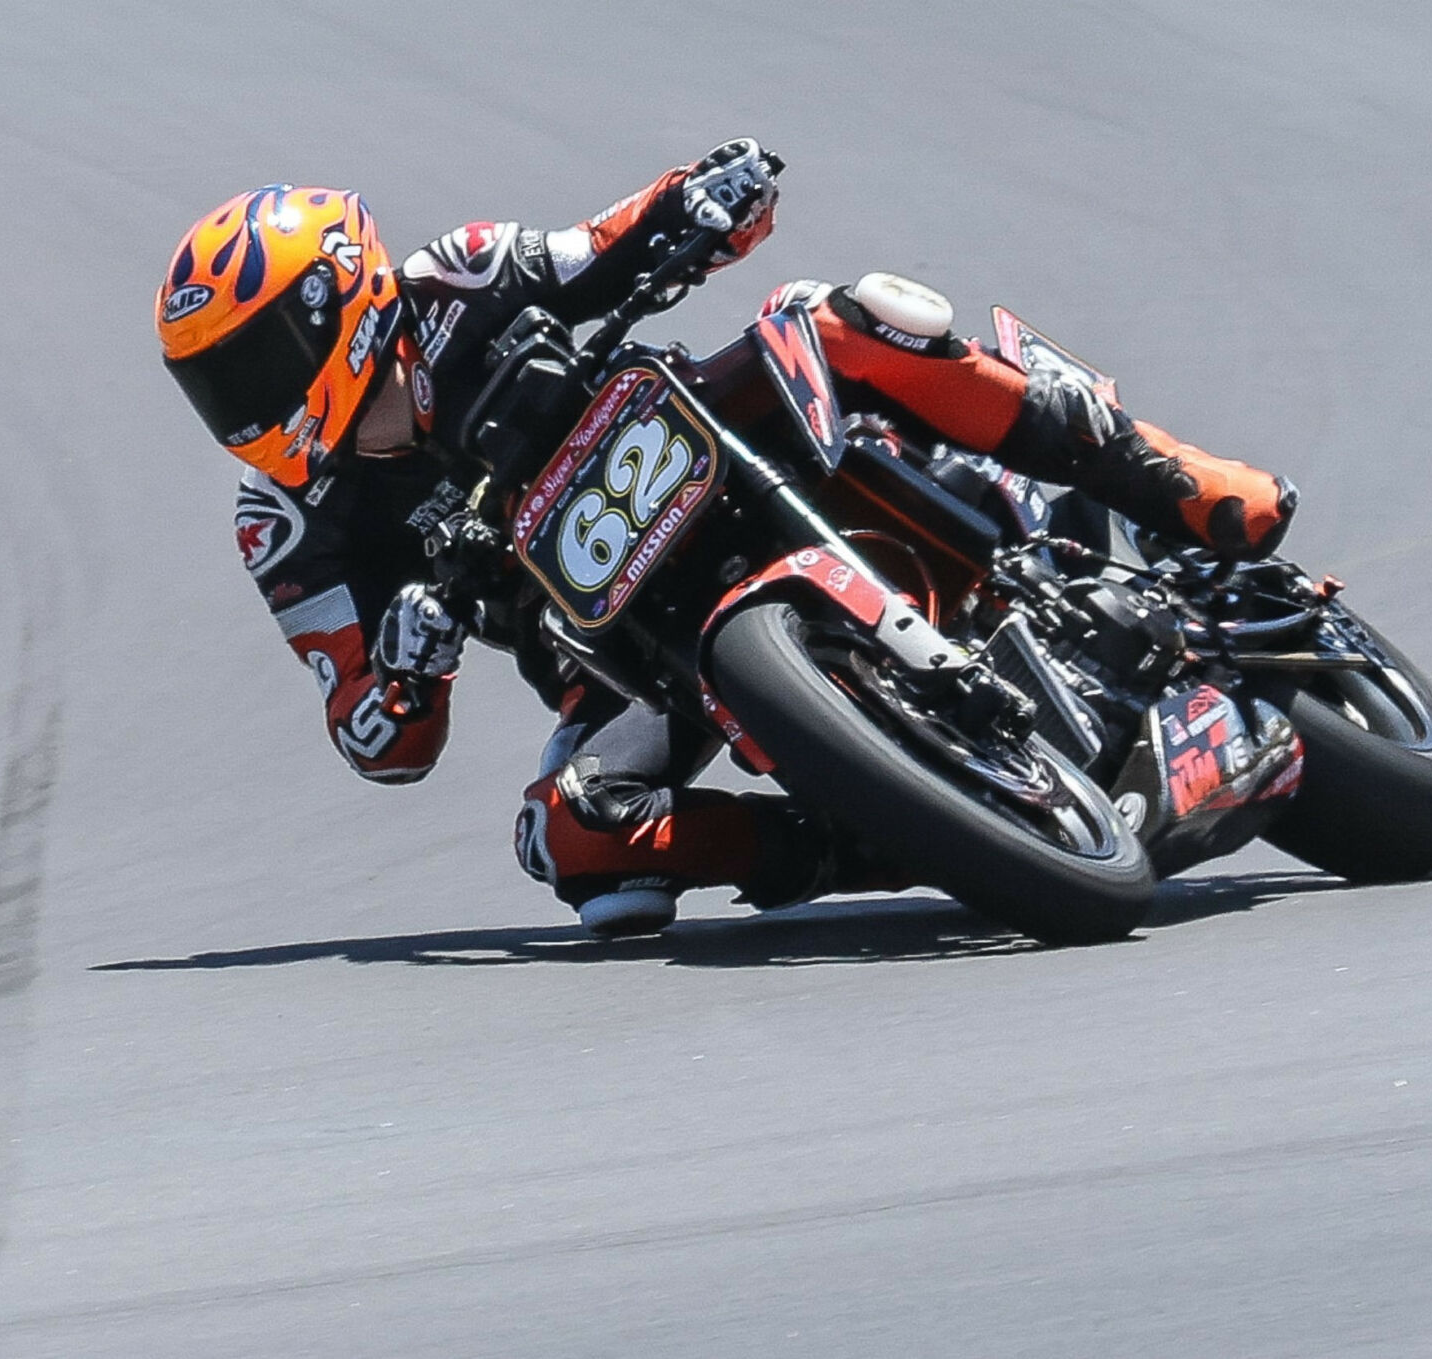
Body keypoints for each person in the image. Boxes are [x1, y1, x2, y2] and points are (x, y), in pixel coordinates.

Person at [156, 140, 1298, 936]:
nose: (242, 413)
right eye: (215, 388)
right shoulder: (286, 526)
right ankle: (881, 838)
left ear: (336, 305)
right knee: (571, 846)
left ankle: (1177, 481)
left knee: (845, 318)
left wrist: (706, 196)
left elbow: (607, 240)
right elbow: (373, 739)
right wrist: (407, 671)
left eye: (248, 367)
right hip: (625, 661)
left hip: (725, 446)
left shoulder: (461, 274)